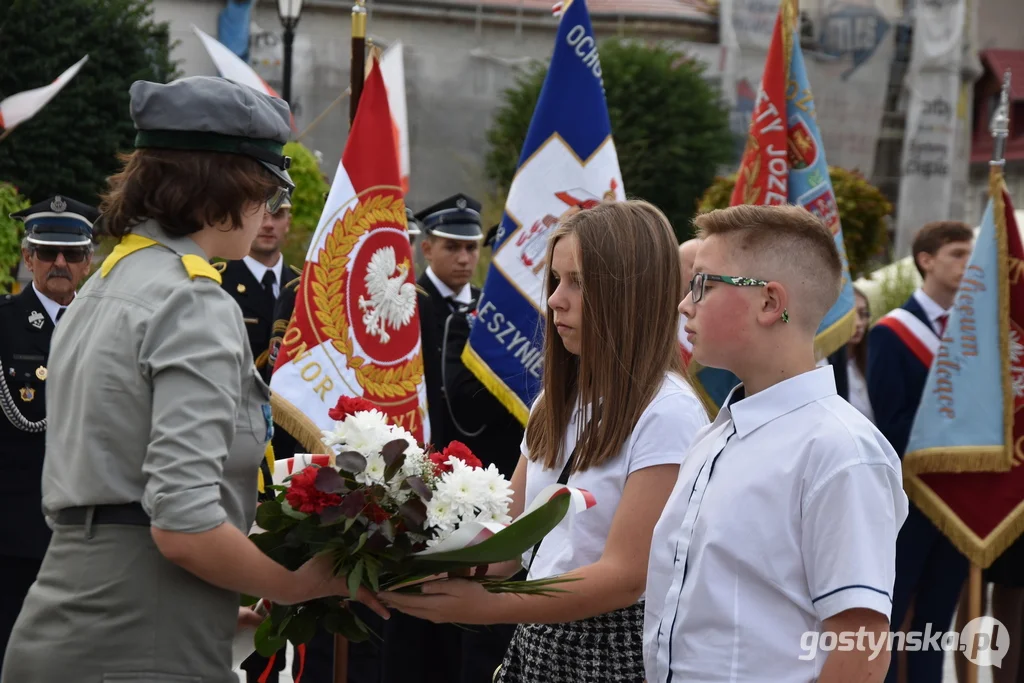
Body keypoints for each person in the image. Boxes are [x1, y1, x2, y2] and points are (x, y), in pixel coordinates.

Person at [0, 75, 386, 683]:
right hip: (138, 642)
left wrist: (214, 605)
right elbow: (182, 524)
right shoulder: (192, 299)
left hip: (85, 617)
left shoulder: (105, 283)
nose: (267, 210)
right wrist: (292, 584)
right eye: (266, 189)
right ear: (222, 185)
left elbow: (116, 491)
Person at [383, 199, 709, 682]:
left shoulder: (668, 411)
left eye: (578, 282)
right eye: (556, 280)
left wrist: (488, 606)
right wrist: (397, 559)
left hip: (610, 651)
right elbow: (507, 537)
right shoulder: (558, 400)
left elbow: (624, 577)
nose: (556, 299)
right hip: (538, 638)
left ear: (631, 293)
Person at [645, 204, 908, 683]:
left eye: (702, 283)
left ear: (769, 303)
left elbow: (862, 649)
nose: (685, 304)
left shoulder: (840, 452)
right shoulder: (716, 433)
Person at [867, 220, 973, 683]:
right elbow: (889, 423)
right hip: (910, 499)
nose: (969, 264)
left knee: (935, 625)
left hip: (961, 501)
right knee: (889, 621)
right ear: (926, 260)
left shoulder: (975, 337)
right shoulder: (891, 332)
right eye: (958, 254)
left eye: (973, 254)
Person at [0, 196, 97, 670]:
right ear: (28, 257)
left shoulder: (107, 327)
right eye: (47, 251)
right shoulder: (3, 325)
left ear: (88, 260)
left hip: (90, 532)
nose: (60, 263)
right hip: (15, 533)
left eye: (73, 253)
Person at [216, 183, 299, 384]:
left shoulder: (304, 288)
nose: (268, 224)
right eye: (261, 215)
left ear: (288, 222)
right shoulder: (218, 283)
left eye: (278, 214)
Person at [845, 286, 873, 422]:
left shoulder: (874, 357)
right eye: (850, 316)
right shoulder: (823, 366)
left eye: (863, 314)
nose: (858, 323)